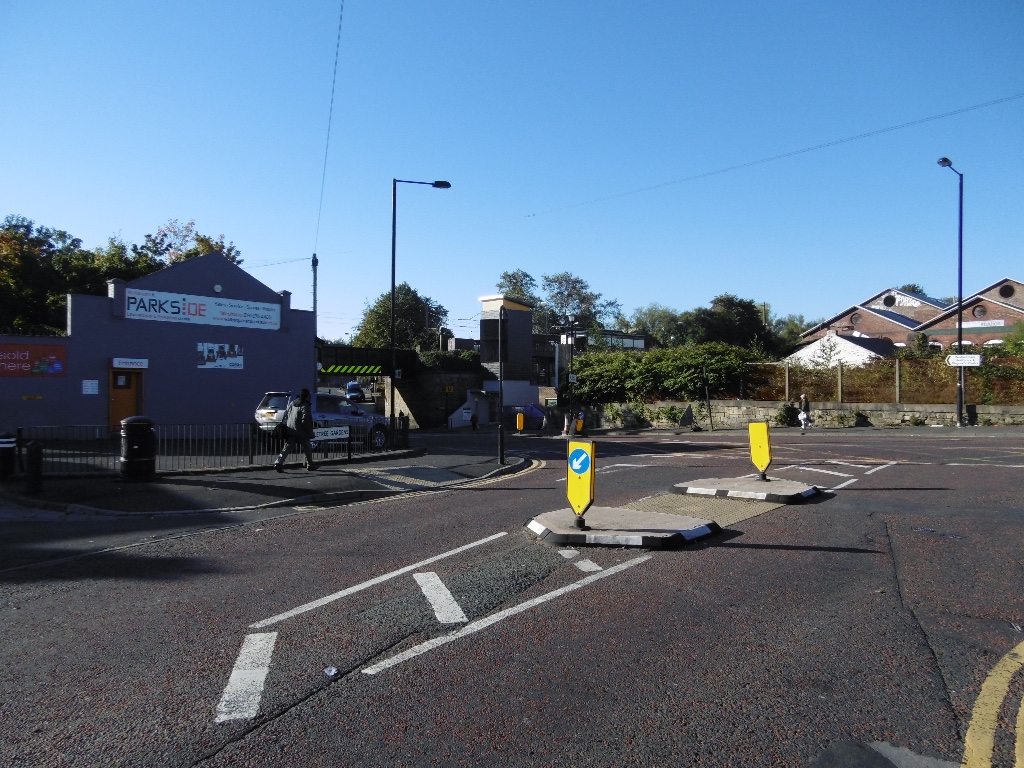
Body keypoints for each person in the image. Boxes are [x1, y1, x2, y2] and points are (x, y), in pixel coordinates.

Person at [275, 388, 316, 471]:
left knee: (286, 448)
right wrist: (310, 432)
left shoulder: (293, 403)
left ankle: (278, 463)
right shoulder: (305, 406)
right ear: (307, 396)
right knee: (307, 448)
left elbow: (286, 413)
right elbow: (306, 421)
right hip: (301, 432)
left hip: (291, 430)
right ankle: (310, 465)